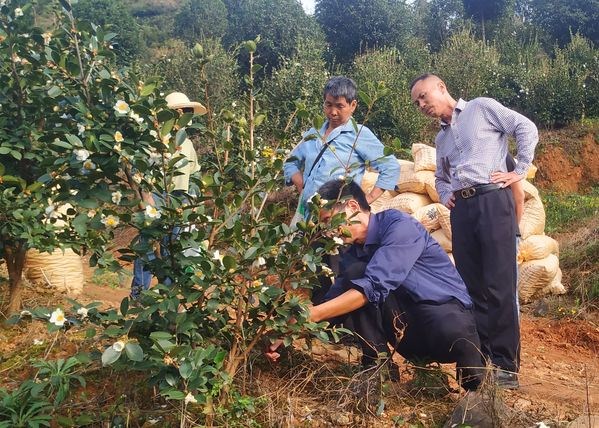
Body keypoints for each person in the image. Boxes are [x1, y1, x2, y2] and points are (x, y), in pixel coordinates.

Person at [267, 179, 485, 391]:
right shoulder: (353, 253)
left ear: (352, 206)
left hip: (446, 319)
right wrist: (287, 332)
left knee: (458, 345)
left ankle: (476, 378)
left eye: (328, 220)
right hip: (409, 334)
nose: (327, 230)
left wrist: (310, 315)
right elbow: (332, 303)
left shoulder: (399, 226)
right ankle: (378, 369)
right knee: (354, 277)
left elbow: (373, 286)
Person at [410, 73, 539, 389]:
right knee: (471, 287)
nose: (422, 104)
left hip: (493, 201)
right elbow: (440, 177)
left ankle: (505, 366)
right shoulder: (440, 140)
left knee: (498, 285)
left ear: (442, 87)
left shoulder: (481, 108)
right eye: (416, 102)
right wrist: (445, 194)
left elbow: (526, 128)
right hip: (463, 211)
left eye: (424, 96)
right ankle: (478, 364)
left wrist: (518, 170)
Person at [283, 75, 400, 222]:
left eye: (339, 106)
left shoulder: (359, 134)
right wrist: (301, 185)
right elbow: (290, 161)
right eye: (328, 104)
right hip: (305, 212)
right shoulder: (314, 132)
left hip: (335, 218)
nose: (333, 112)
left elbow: (390, 167)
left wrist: (366, 200)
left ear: (353, 105)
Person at [130, 92, 205, 299]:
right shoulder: (154, 138)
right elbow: (140, 171)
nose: (188, 117)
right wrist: (147, 198)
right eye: (184, 112)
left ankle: (168, 295)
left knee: (172, 247)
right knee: (147, 246)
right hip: (157, 196)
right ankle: (139, 295)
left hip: (180, 199)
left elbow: (195, 172)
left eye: (189, 113)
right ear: (174, 113)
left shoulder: (186, 142)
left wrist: (193, 198)